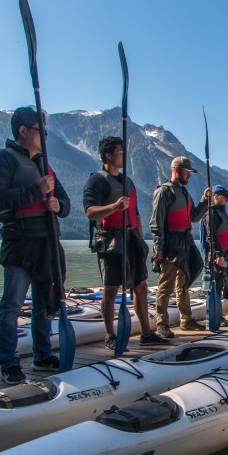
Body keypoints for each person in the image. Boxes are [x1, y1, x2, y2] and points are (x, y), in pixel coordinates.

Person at [0, 106, 71, 384]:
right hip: (20, 244)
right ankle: (9, 362)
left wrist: (58, 205)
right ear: (23, 131)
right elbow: (0, 197)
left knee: (44, 304)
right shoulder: (1, 159)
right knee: (11, 306)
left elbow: (66, 204)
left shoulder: (46, 166)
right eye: (40, 130)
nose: (45, 135)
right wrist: (38, 189)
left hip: (47, 244)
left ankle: (42, 355)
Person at [83, 136, 170, 349]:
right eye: (120, 152)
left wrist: (141, 241)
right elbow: (90, 212)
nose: (124, 155)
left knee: (140, 286)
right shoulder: (96, 180)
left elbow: (137, 214)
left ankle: (146, 333)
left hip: (131, 238)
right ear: (108, 155)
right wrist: (113, 207)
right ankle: (110, 335)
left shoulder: (128, 182)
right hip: (110, 239)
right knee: (111, 289)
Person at [150, 156, 207, 337]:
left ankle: (186, 320)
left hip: (185, 240)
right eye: (187, 172)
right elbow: (156, 223)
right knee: (166, 284)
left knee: (185, 279)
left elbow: (194, 217)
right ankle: (162, 323)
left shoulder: (184, 192)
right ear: (176, 170)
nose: (189, 176)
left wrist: (205, 201)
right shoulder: (164, 192)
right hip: (170, 242)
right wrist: (159, 248)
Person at [202, 184, 228, 324]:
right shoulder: (211, 213)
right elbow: (212, 236)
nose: (227, 200)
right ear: (216, 196)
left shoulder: (221, 212)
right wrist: (218, 254)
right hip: (218, 255)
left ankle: (218, 315)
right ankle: (214, 316)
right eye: (225, 197)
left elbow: (224, 234)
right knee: (216, 285)